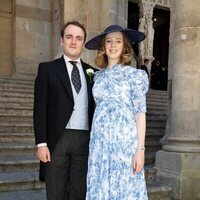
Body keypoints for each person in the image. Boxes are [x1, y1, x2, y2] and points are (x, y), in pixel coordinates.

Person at [85, 25, 149, 199]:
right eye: (109, 41)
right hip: (100, 144)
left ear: (124, 47)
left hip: (124, 144)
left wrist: (140, 150)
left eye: (118, 41)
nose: (113, 45)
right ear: (103, 47)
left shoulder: (134, 76)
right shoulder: (98, 77)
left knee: (125, 188)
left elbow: (140, 113)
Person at [33, 21, 96, 200]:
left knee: (80, 192)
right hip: (56, 140)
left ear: (83, 43)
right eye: (69, 37)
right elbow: (39, 109)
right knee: (56, 192)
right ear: (62, 41)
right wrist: (41, 143)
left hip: (84, 140)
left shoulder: (93, 72)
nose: (73, 42)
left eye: (79, 38)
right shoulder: (47, 69)